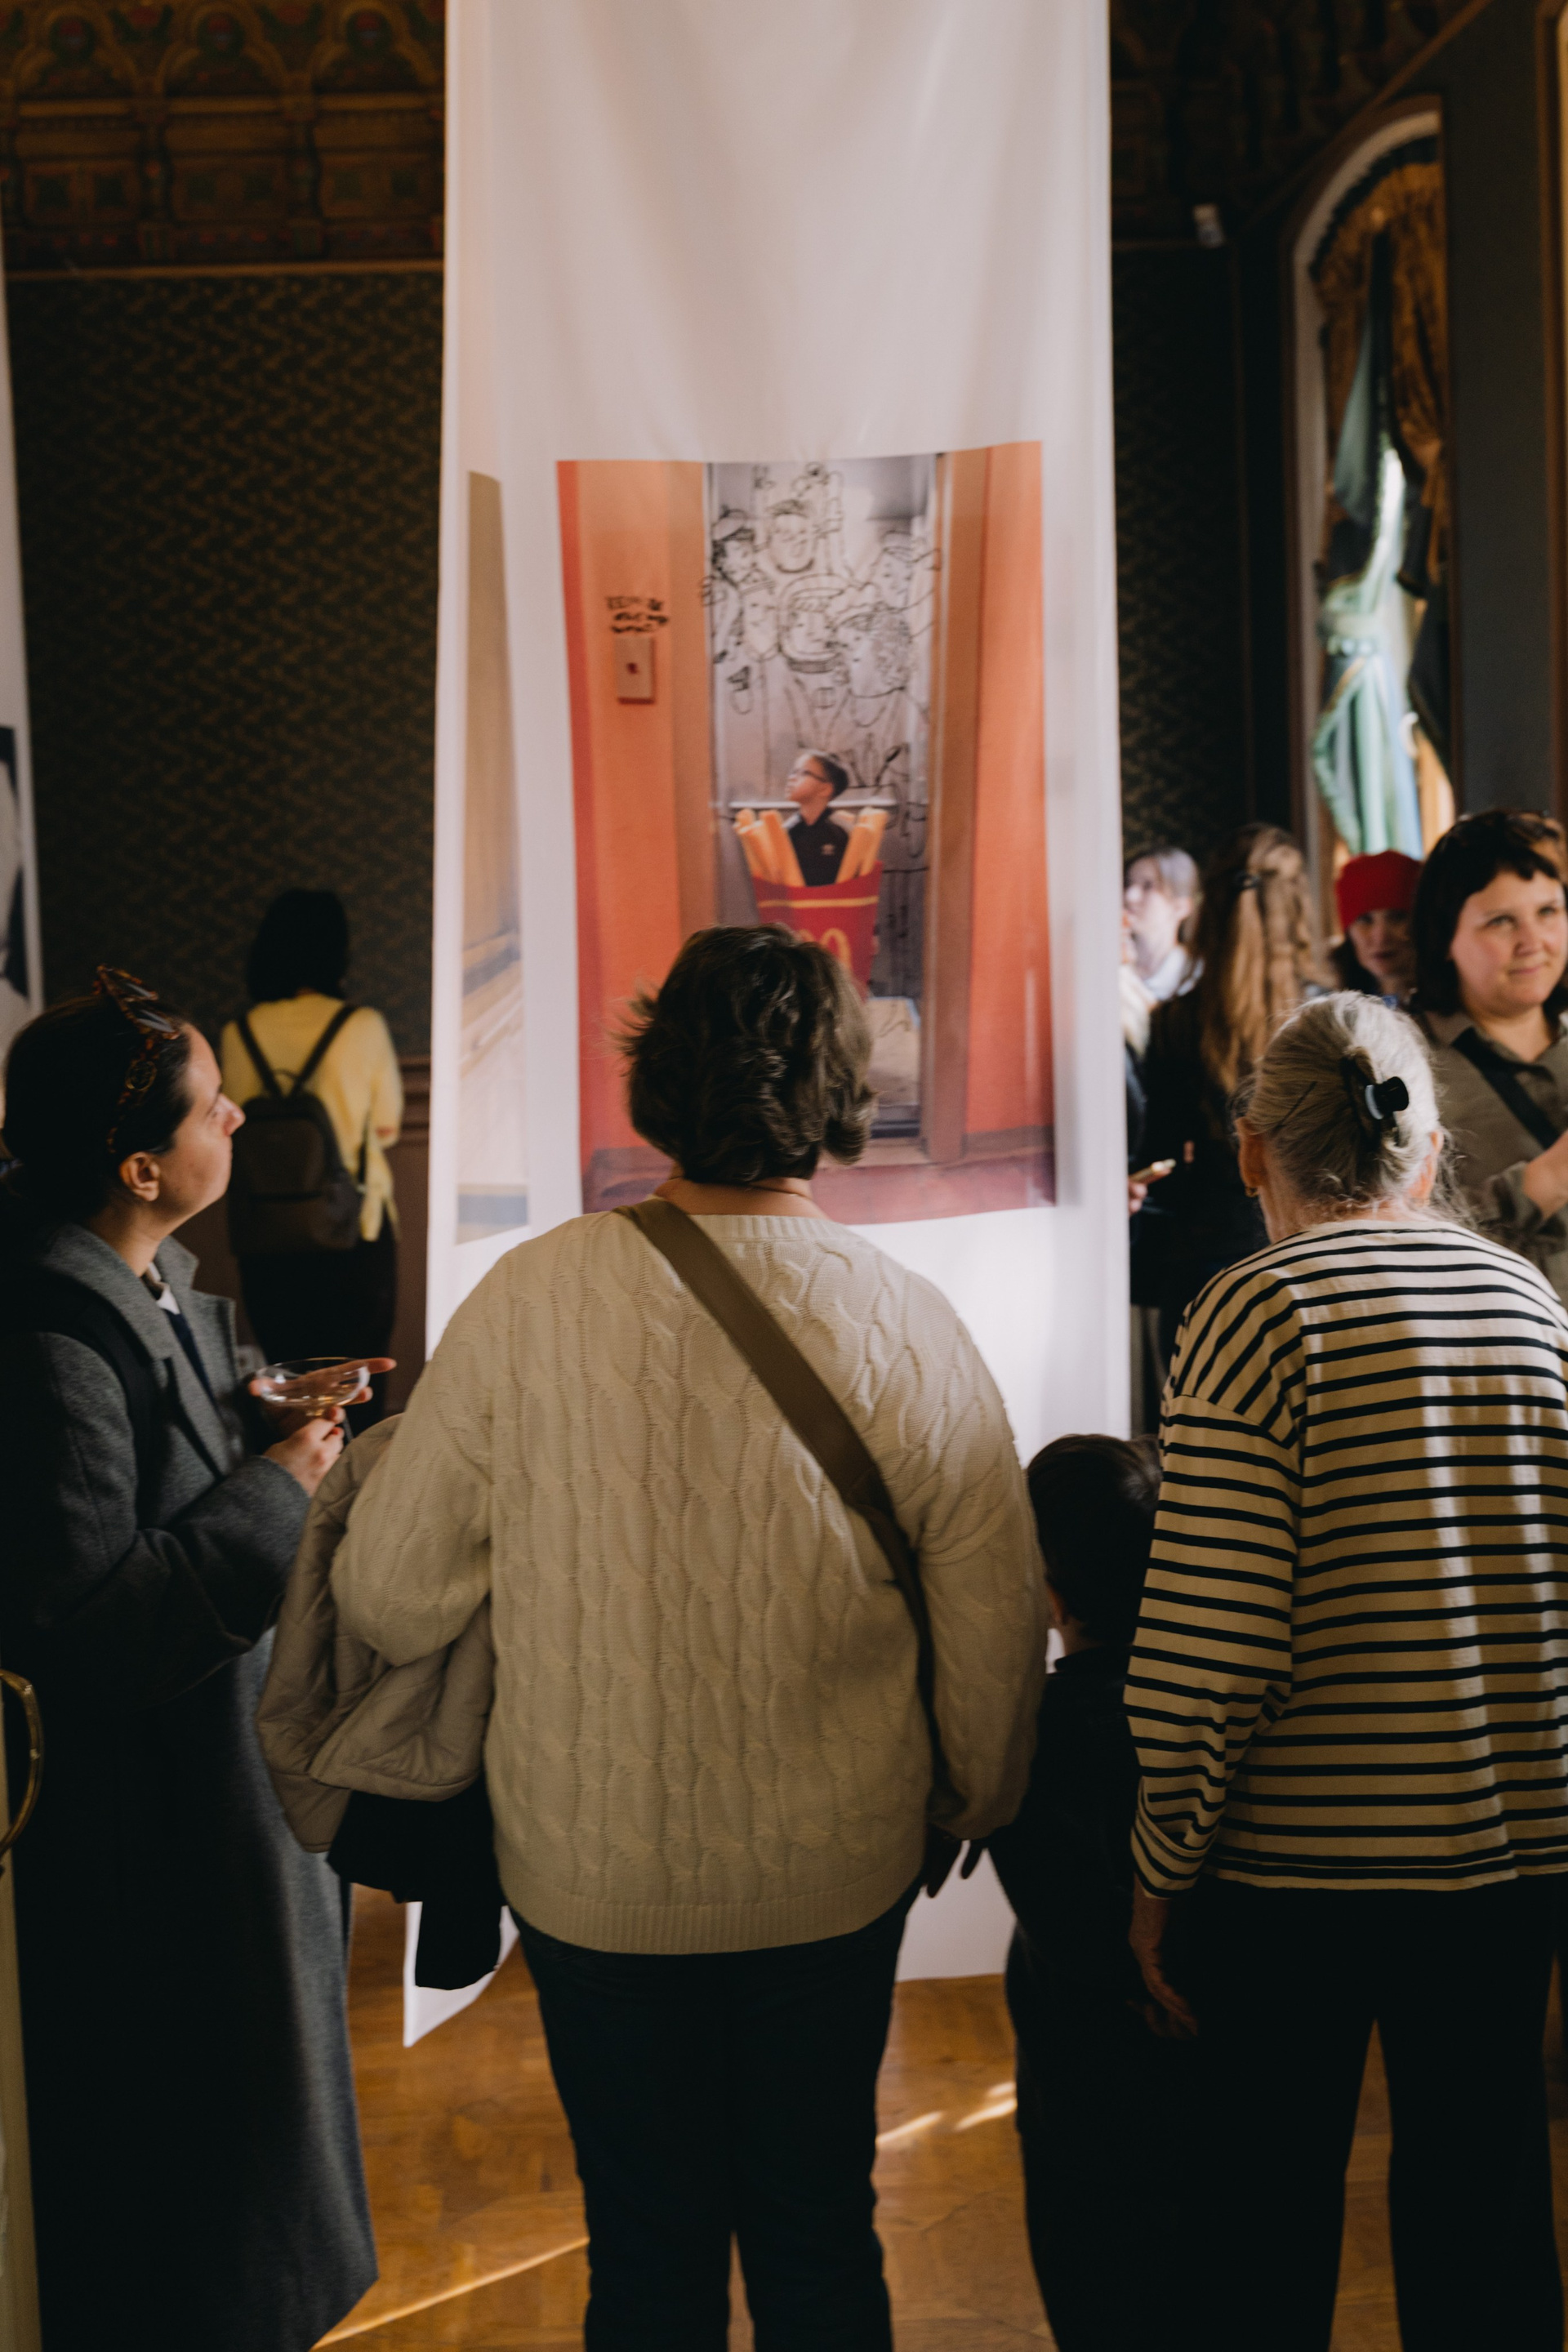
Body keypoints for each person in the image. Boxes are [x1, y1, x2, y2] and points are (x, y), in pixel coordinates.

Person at [332, 925, 1049, 2352]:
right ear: (839, 1087)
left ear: (656, 1077)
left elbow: (391, 1597)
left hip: (593, 1873)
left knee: (646, 2253)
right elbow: (994, 1618)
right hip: (833, 1868)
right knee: (819, 2236)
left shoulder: (527, 1303)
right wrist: (975, 1792)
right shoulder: (907, 1325)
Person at [1127, 989, 1568, 2352]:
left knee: (1258, 2237)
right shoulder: (1528, 1300)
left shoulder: (1253, 1311)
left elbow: (1213, 1651)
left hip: (1294, 1878)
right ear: (1428, 1155)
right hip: (1507, 1862)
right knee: (1488, 2228)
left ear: (1253, 1151)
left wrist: (1160, 1866)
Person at [0, 969, 379, 2352]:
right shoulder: (53, 1339)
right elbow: (95, 1623)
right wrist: (278, 1484)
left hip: (217, 1801)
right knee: (205, 2227)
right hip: (158, 1839)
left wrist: (258, 1415)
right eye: (211, 1103)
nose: (236, 1116)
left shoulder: (141, 1280)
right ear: (142, 1168)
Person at [988, 1436, 1200, 2352]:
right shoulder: (1217, 1723)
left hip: (1083, 2100)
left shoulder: (1031, 1740)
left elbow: (1066, 1925)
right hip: (1218, 2085)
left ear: (1048, 1591)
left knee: (1098, 2298)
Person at [1133, 823, 1322, 1358]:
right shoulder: (1330, 1018)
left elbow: (1160, 1158)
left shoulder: (1174, 1021)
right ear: (1298, 908)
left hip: (1206, 1267)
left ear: (1208, 911)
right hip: (1313, 1261)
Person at [220, 889, 402, 1412]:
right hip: (355, 1232)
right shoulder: (361, 1026)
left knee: (290, 1392)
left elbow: (231, 1126)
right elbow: (387, 1127)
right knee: (359, 1390)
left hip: (266, 1238)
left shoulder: (238, 1033)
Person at [1412, 809, 1568, 1312]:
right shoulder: (1404, 1065)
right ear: (1445, 937)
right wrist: (1546, 1180)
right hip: (1501, 1346)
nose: (1533, 943)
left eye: (1548, 912)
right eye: (1501, 921)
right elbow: (1397, 1248)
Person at [1328, 847, 1420, 1002]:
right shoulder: (1337, 1007)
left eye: (1397, 917)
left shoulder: (1450, 1009)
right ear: (1349, 931)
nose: (1381, 937)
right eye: (1365, 920)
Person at [1123, 846, 1199, 1002]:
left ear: (1181, 907)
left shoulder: (1194, 977)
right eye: (1128, 883)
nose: (1130, 896)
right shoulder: (1112, 966)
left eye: (1147, 886)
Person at [784, 747, 853, 881]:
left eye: (804, 773)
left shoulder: (841, 832)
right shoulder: (786, 831)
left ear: (825, 789)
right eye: (793, 772)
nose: (791, 778)